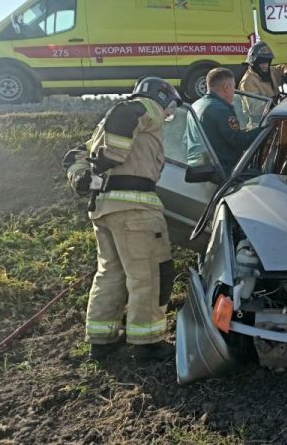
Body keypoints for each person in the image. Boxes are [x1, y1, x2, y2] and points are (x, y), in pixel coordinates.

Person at [63, 77, 183, 362]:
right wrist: (112, 157)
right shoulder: (146, 106)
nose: (168, 115)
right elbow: (127, 113)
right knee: (150, 274)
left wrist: (82, 176)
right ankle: (147, 342)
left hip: (105, 209)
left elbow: (74, 155)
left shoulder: (102, 127)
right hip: (135, 210)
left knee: (111, 273)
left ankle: (102, 340)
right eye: (170, 109)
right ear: (161, 97)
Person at [188, 67, 262, 175]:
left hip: (204, 166)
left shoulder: (196, 105)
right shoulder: (221, 110)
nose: (234, 90)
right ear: (227, 87)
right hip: (226, 171)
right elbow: (240, 142)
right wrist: (263, 129)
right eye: (233, 86)